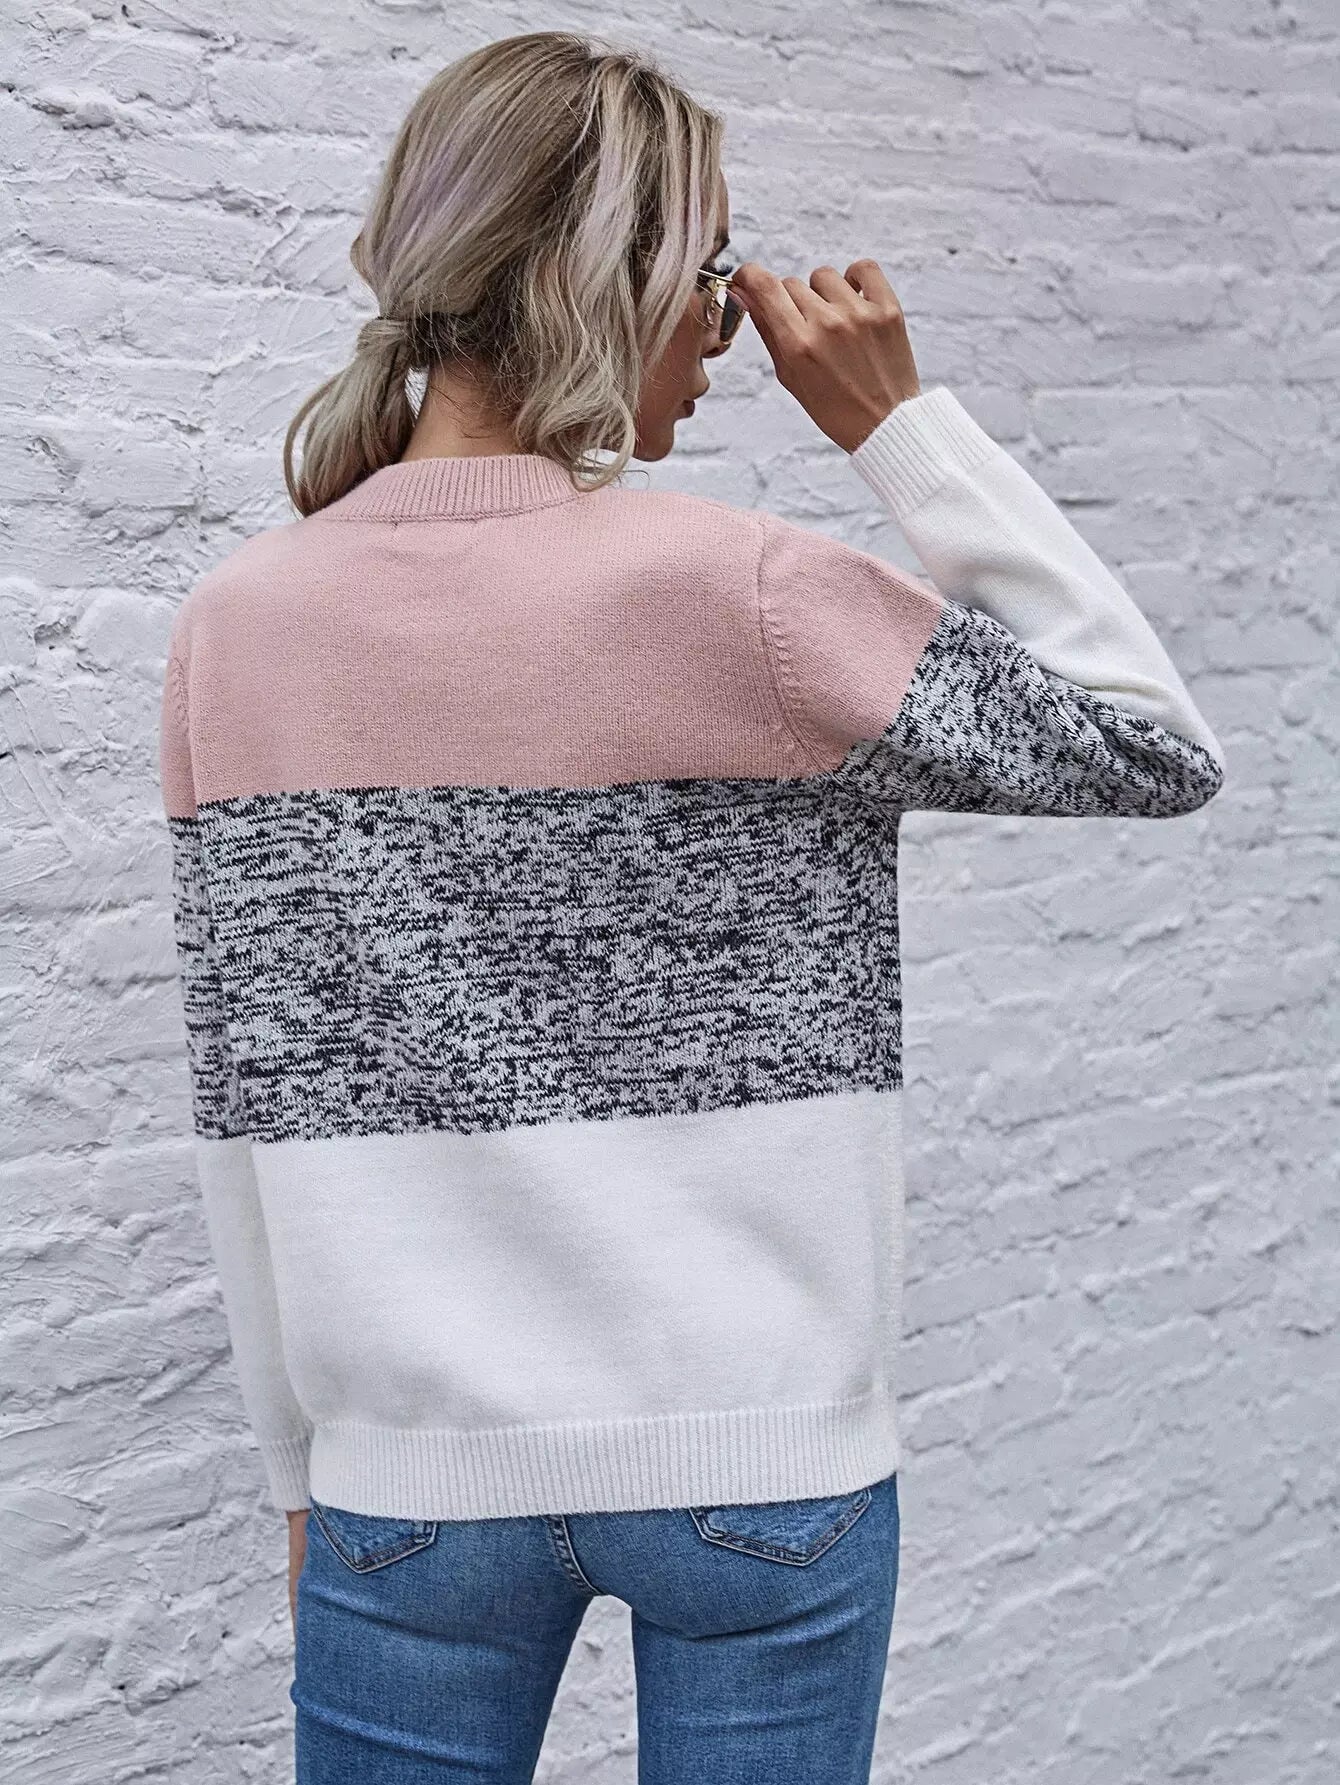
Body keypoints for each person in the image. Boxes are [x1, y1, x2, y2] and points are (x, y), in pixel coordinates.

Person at [156, 29, 1225, 1785]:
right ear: (613, 278)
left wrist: (302, 1472)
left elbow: (244, 1103)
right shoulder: (750, 595)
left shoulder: (239, 628)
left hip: (405, 1497)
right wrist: (899, 424)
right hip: (763, 1470)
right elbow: (1153, 744)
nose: (729, 333)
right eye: (715, 279)